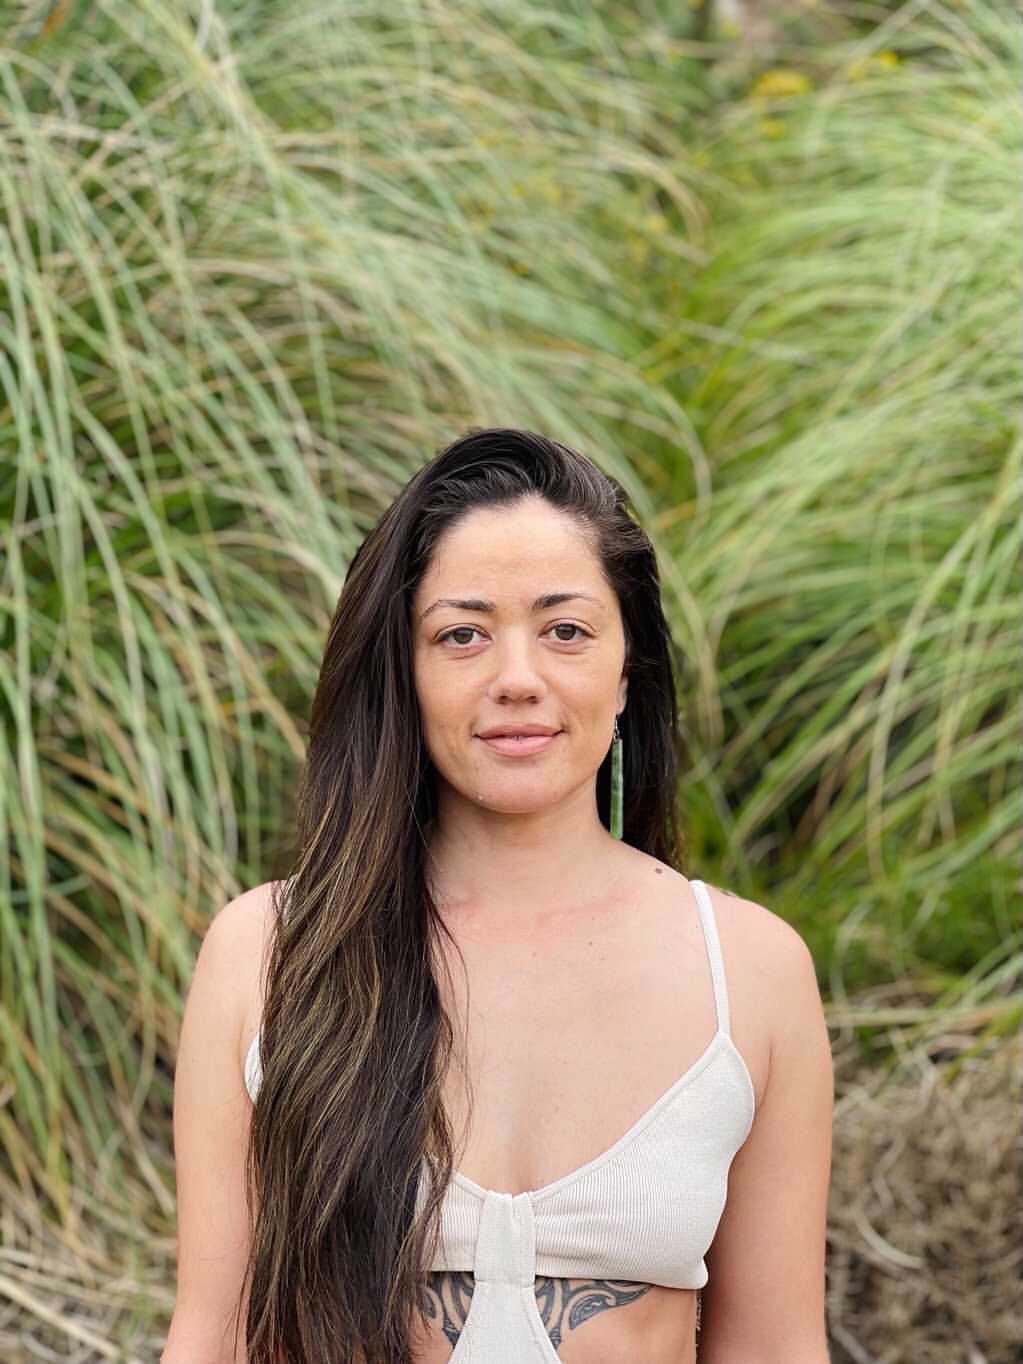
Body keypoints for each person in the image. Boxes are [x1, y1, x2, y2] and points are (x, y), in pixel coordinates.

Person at [162, 428, 833, 1364]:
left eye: (566, 632)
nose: (517, 680)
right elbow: (214, 1338)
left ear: (626, 672)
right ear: (403, 672)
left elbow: (775, 1348)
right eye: (462, 635)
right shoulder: (271, 951)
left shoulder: (750, 971)